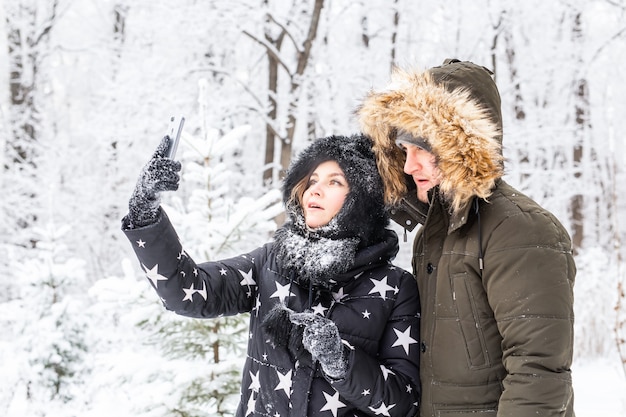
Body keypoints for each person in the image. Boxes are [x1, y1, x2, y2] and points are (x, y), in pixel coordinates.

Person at [121, 133, 421, 417]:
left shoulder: (396, 288)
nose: (315, 189)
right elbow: (186, 291)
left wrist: (340, 360)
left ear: (362, 198)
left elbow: (404, 403)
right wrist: (145, 212)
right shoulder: (270, 263)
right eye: (312, 179)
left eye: (335, 182)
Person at [356, 58, 575, 416]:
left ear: (461, 147)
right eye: (405, 151)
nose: (410, 167)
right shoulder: (432, 234)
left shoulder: (520, 229)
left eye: (422, 149)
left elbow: (538, 371)